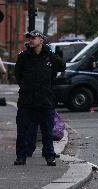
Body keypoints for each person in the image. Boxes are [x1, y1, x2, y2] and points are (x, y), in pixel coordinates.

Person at [14, 30, 66, 166]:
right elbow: (18, 75)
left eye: (34, 38)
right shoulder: (24, 57)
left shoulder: (49, 56)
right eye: (29, 38)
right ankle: (21, 156)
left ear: (41, 40)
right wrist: (26, 88)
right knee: (23, 130)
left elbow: (62, 66)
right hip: (27, 101)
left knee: (47, 132)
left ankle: (49, 156)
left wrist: (50, 53)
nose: (31, 40)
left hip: (45, 100)